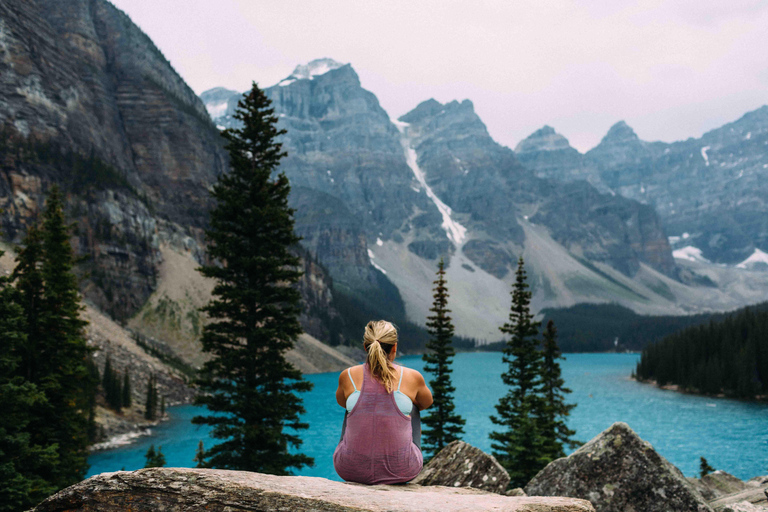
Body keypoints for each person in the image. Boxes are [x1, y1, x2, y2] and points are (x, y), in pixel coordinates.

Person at [333, 320, 433, 484]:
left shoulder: (348, 375)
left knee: (351, 407)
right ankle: (404, 457)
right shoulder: (412, 377)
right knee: (413, 406)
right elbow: (427, 402)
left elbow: (342, 402)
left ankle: (351, 454)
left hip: (349, 469)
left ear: (366, 347)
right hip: (402, 470)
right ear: (394, 347)